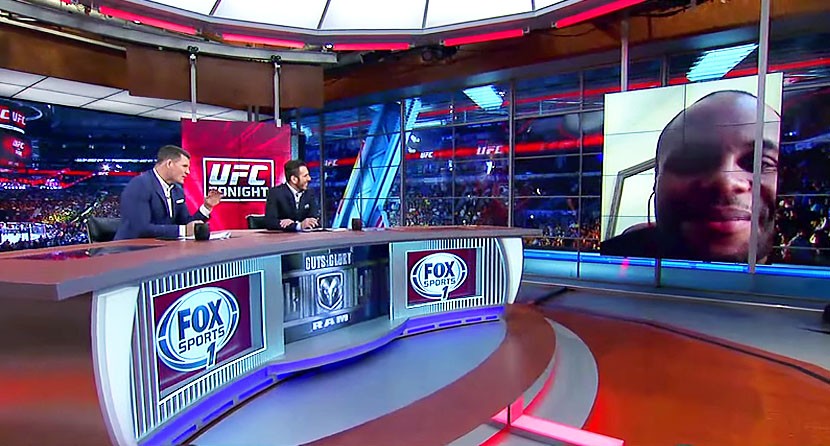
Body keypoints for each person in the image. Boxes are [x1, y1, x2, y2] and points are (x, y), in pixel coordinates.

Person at [602, 90, 781, 263]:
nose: (725, 182)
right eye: (691, 161)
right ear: (656, 181)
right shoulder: (608, 261)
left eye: (760, 163)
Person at [114, 145, 222, 240]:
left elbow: (186, 223)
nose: (188, 172)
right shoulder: (140, 185)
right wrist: (183, 231)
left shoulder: (177, 190)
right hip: (130, 251)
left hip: (160, 250)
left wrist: (207, 207)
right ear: (169, 164)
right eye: (184, 166)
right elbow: (141, 228)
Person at [264, 159, 319, 231]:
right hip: (283, 237)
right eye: (305, 176)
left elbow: (315, 218)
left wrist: (310, 222)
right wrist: (298, 226)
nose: (309, 179)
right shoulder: (276, 193)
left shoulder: (310, 193)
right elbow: (270, 222)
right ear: (294, 179)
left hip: (307, 237)